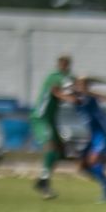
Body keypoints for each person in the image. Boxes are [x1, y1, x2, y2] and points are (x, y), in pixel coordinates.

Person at [30, 54, 75, 200]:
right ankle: (44, 182)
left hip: (51, 120)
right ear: (58, 64)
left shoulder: (68, 77)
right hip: (41, 117)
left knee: (60, 152)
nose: (64, 65)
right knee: (50, 147)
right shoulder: (54, 77)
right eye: (62, 63)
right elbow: (56, 92)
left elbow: (79, 84)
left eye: (66, 63)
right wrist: (71, 98)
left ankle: (43, 180)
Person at [70, 77, 106, 203]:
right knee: (82, 166)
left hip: (105, 134)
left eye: (82, 85)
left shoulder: (89, 99)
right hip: (95, 136)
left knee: (94, 160)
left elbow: (91, 94)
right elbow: (70, 97)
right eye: (78, 85)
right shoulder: (77, 101)